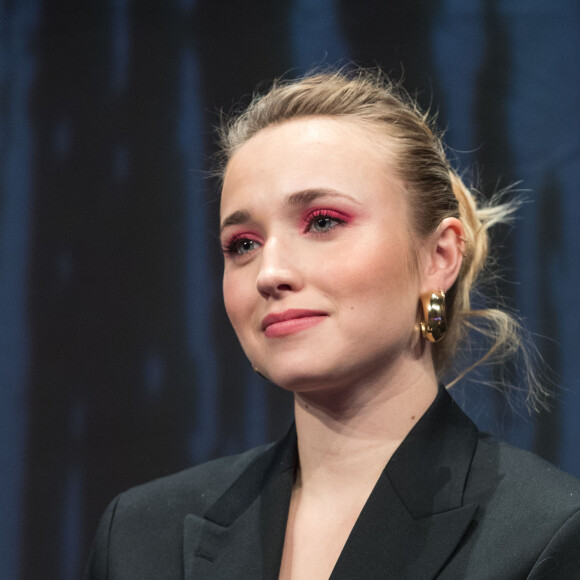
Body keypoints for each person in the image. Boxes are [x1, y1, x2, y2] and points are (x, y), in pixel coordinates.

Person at [85, 69, 580, 579]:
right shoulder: (139, 538)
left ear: (438, 257)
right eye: (243, 245)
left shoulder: (549, 535)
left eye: (323, 222)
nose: (270, 273)